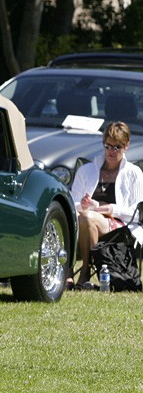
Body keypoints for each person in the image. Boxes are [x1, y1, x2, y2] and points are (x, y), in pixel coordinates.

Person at [69, 120, 143, 287]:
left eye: (117, 147)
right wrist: (84, 205)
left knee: (88, 217)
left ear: (127, 146)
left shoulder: (133, 174)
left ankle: (85, 271)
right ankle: (69, 271)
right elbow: (72, 205)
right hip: (84, 221)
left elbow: (138, 213)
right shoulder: (86, 171)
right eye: (108, 146)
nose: (111, 151)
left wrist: (110, 209)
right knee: (84, 216)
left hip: (119, 226)